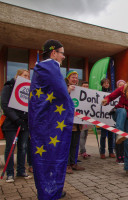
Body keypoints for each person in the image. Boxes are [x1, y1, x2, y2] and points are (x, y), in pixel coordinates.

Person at [29, 39, 73, 199]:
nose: (63, 57)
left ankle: (48, 189)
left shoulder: (40, 68)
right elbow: (62, 96)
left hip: (41, 122)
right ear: (54, 53)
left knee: (43, 157)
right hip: (50, 124)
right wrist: (71, 110)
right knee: (53, 156)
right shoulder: (51, 67)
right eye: (62, 53)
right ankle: (50, 191)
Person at [1, 69, 32, 183]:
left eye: (28, 76)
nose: (27, 78)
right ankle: (9, 173)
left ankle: (21, 171)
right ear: (18, 76)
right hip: (11, 124)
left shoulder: (29, 90)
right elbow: (5, 105)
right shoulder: (9, 86)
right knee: (10, 148)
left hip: (24, 123)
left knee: (23, 148)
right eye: (25, 75)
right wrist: (16, 119)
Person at [65, 70, 85, 174]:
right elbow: (60, 99)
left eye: (76, 77)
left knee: (75, 144)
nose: (75, 79)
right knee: (67, 144)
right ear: (68, 78)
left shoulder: (79, 90)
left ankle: (73, 162)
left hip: (77, 123)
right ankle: (67, 164)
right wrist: (68, 90)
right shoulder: (63, 87)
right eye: (73, 77)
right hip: (68, 122)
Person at [99, 78, 116, 159]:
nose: (106, 84)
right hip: (103, 118)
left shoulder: (112, 93)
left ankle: (111, 151)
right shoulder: (98, 93)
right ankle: (102, 152)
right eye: (105, 83)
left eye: (107, 83)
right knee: (103, 136)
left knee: (111, 136)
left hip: (110, 118)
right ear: (102, 84)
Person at [79, 81, 92, 159]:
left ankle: (82, 151)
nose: (85, 87)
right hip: (80, 119)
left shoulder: (90, 95)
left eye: (87, 86)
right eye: (84, 86)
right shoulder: (79, 95)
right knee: (82, 135)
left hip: (88, 119)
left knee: (85, 134)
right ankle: (83, 151)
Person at [115, 79, 126, 164]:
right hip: (117, 118)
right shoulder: (115, 95)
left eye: (123, 85)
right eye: (120, 85)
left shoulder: (126, 95)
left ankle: (123, 155)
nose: (122, 87)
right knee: (118, 136)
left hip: (125, 119)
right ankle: (118, 155)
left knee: (123, 138)